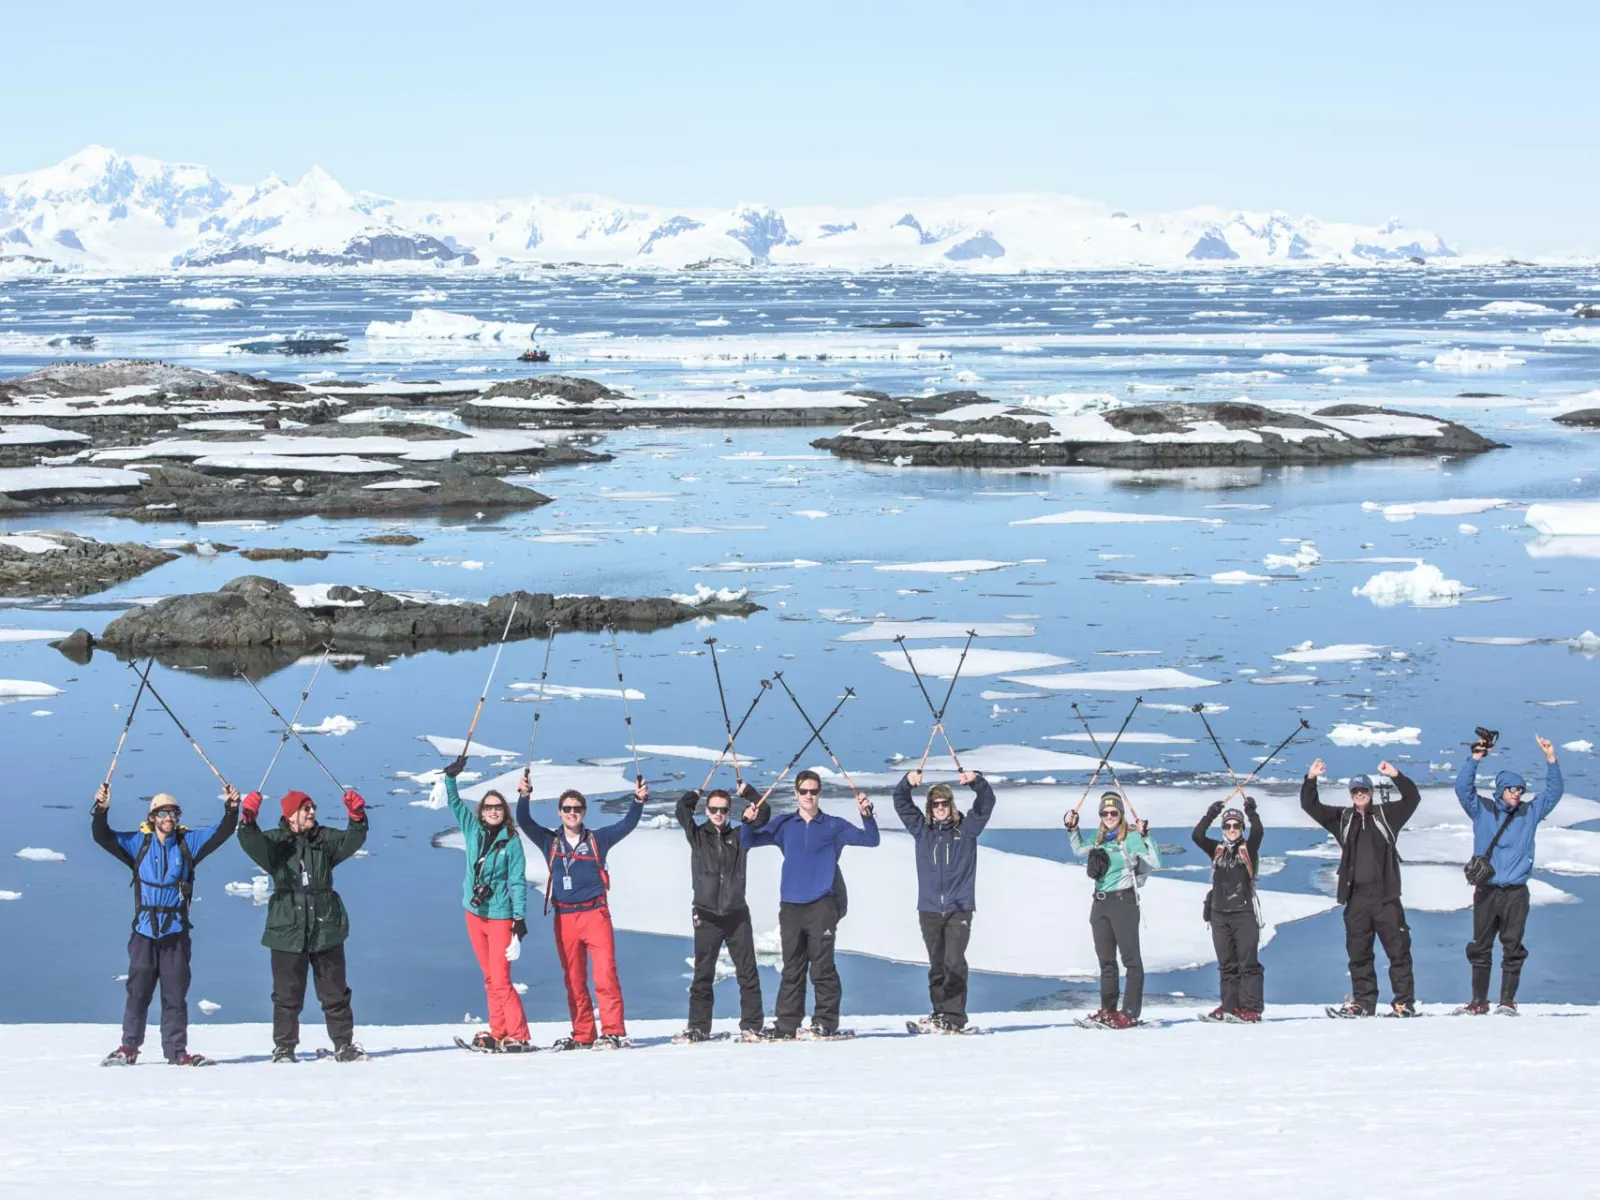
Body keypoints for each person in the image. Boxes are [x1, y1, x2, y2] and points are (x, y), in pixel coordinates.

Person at [92, 781, 239, 1066]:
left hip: (175, 932)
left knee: (175, 994)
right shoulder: (138, 844)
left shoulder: (187, 844)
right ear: (152, 818)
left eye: (173, 814)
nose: (169, 819)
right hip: (144, 932)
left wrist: (231, 809)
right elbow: (103, 837)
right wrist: (101, 809)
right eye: (163, 814)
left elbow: (221, 833)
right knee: (138, 991)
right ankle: (128, 1047)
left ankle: (176, 1052)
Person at [741, 770, 880, 1039]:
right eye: (804, 791)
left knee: (822, 967)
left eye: (813, 791)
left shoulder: (833, 825)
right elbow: (748, 841)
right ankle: (786, 1025)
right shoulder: (785, 824)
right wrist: (748, 821)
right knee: (792, 968)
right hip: (791, 907)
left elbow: (871, 840)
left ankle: (825, 1023)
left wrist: (866, 814)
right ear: (795, 793)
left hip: (821, 906)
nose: (808, 796)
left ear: (819, 793)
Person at [236, 786, 369, 1062]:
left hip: (325, 927)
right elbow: (251, 842)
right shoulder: (274, 843)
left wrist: (357, 817)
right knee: (287, 994)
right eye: (306, 808)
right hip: (287, 928)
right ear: (291, 815)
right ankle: (284, 1047)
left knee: (335, 992)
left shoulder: (324, 840)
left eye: (313, 807)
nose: (312, 812)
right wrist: (247, 820)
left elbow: (351, 841)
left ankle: (343, 1045)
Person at [516, 774, 647, 1050]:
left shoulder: (599, 839)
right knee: (574, 979)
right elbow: (525, 822)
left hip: (595, 914)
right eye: (567, 809)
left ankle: (611, 1031)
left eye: (576, 809)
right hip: (564, 917)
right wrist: (524, 796)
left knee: (605, 975)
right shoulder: (549, 841)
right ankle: (583, 1033)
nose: (572, 813)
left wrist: (638, 801)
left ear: (584, 812)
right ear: (559, 812)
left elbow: (627, 824)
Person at [1301, 760, 1420, 1017]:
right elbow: (1310, 806)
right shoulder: (1342, 818)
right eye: (1355, 791)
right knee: (1359, 955)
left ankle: (1404, 1003)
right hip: (1356, 899)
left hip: (1386, 899)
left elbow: (1412, 797)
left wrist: (1395, 775)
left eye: (1363, 790)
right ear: (1351, 795)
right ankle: (1364, 1003)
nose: (1360, 794)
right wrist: (1311, 778)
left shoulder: (1387, 815)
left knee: (1398, 952)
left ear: (1371, 792)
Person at [1455, 734, 1563, 1015]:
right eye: (1512, 789)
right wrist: (1476, 757)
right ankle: (1478, 1002)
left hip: (1516, 892)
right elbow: (1462, 789)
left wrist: (1551, 758)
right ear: (1501, 790)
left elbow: (1553, 793)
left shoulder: (1529, 812)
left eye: (1520, 789)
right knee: (1480, 946)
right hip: (1487, 891)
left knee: (1513, 947)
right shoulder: (1482, 811)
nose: (1517, 793)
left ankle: (1507, 1002)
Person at [893, 769, 996, 1033]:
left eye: (944, 803)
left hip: (958, 908)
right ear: (930, 807)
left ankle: (954, 1017)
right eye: (935, 804)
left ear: (951, 805)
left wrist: (976, 781)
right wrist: (907, 781)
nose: (940, 808)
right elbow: (900, 802)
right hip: (928, 909)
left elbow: (986, 802)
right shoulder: (922, 830)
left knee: (954, 962)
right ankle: (940, 1014)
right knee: (937, 966)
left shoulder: (967, 830)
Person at [443, 756, 531, 1051]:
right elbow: (455, 804)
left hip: (499, 916)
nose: (493, 811)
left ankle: (519, 1034)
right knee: (490, 978)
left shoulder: (512, 841)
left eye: (498, 807)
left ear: (504, 812)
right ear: (481, 811)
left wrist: (518, 922)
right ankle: (498, 1030)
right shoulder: (472, 830)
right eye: (488, 807)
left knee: (502, 978)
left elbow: (517, 881)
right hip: (473, 913)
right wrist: (451, 778)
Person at [676, 782, 765, 1043]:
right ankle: (698, 1027)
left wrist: (749, 795)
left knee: (747, 972)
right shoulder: (697, 835)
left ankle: (752, 1026)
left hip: (736, 913)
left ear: (729, 811)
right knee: (703, 973)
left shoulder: (740, 836)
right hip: (706, 913)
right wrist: (696, 792)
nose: (718, 814)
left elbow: (765, 812)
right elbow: (682, 809)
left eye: (723, 810)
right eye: (713, 809)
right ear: (707, 810)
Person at [1067, 791, 1160, 1029]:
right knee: (1106, 961)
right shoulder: (1098, 837)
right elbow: (1079, 850)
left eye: (1113, 812)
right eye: (1104, 813)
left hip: (1123, 903)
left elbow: (1155, 862)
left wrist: (1146, 836)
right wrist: (1072, 829)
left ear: (1121, 814)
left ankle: (1129, 1013)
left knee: (1131, 960)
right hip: (1100, 904)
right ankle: (1108, 1011)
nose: (1109, 816)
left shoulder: (1130, 838)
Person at [1193, 796, 1264, 1022]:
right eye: (1227, 825)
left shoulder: (1248, 849)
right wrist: (1211, 813)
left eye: (1236, 825)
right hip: (1219, 914)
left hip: (1243, 913)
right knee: (1226, 964)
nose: (1232, 829)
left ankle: (1251, 1008)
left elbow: (1259, 832)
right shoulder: (1217, 849)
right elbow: (1197, 836)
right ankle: (1229, 1007)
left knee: (1248, 963)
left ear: (1242, 827)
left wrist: (1251, 811)